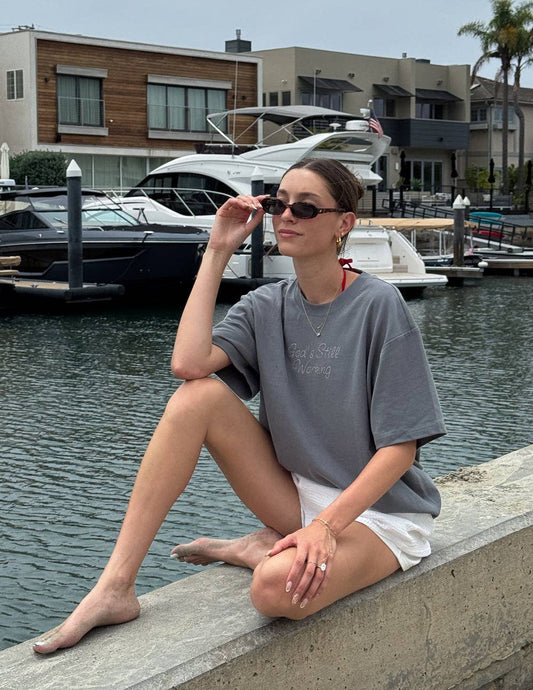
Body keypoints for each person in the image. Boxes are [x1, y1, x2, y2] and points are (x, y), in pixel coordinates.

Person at [33, 158, 445, 654]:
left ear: (344, 223)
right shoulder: (265, 305)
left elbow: (401, 449)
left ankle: (255, 550)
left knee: (273, 590)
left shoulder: (379, 304)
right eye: (278, 204)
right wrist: (217, 250)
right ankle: (116, 586)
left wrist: (325, 526)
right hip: (298, 496)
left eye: (306, 208)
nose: (286, 215)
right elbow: (188, 364)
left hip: (378, 513)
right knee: (198, 396)